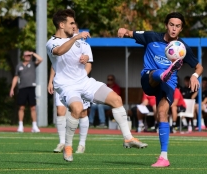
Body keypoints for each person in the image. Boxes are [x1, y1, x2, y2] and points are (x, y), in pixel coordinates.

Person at [46, 9, 147, 162]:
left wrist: (85, 58)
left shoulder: (80, 40)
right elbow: (60, 51)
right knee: (77, 109)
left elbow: (87, 60)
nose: (74, 26)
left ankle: (128, 138)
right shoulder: (52, 42)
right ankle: (67, 146)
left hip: (85, 82)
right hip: (66, 86)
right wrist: (77, 37)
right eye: (71, 23)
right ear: (61, 25)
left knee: (116, 99)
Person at [118, 12, 203, 167]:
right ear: (166, 25)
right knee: (153, 73)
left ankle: (164, 158)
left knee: (162, 113)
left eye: (177, 26)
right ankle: (162, 74)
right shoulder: (151, 37)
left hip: (168, 84)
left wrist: (195, 76)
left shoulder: (182, 48)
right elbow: (130, 33)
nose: (174, 29)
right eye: (171, 25)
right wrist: (124, 31)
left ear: (181, 29)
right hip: (149, 80)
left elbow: (199, 66)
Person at [47, 23, 92, 153]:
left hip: (79, 85)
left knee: (82, 112)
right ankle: (62, 142)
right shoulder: (60, 44)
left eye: (75, 27)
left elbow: (89, 64)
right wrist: (50, 81)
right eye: (71, 26)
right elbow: (55, 64)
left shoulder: (84, 45)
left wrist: (81, 76)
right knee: (60, 112)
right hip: (62, 85)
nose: (73, 29)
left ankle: (81, 144)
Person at [9, 51, 43, 132]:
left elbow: (41, 59)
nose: (28, 57)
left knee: (33, 107)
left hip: (31, 88)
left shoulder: (33, 64)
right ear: (23, 56)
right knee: (21, 107)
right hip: (22, 88)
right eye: (26, 55)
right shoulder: (19, 66)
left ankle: (34, 126)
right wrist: (12, 88)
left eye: (29, 56)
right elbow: (16, 77)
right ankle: (20, 126)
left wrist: (32, 53)